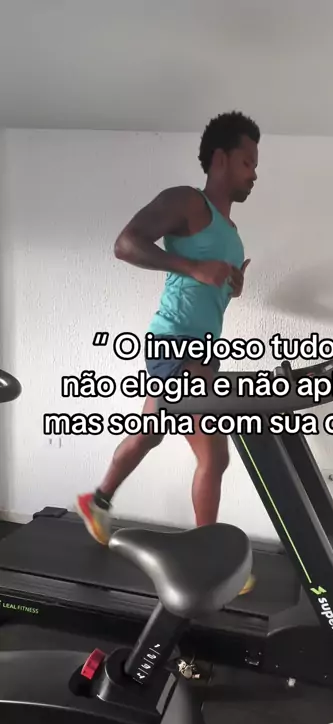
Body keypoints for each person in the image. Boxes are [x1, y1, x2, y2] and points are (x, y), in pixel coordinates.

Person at [76, 110, 260, 594]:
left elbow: (208, 286)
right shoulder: (188, 201)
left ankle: (97, 500)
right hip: (175, 343)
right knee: (215, 456)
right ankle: (209, 558)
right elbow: (125, 244)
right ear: (220, 159)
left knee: (150, 433)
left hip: (199, 348)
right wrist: (194, 269)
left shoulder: (230, 230)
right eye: (247, 162)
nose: (254, 174)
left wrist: (231, 287)